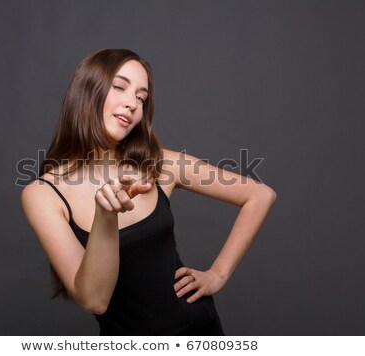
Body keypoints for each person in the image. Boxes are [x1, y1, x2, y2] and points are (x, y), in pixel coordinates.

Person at [21, 49, 277, 336]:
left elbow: (259, 194)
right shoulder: (43, 194)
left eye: (141, 97)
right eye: (120, 87)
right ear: (86, 91)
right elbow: (95, 299)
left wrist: (218, 273)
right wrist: (105, 217)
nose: (132, 103)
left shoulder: (159, 164)